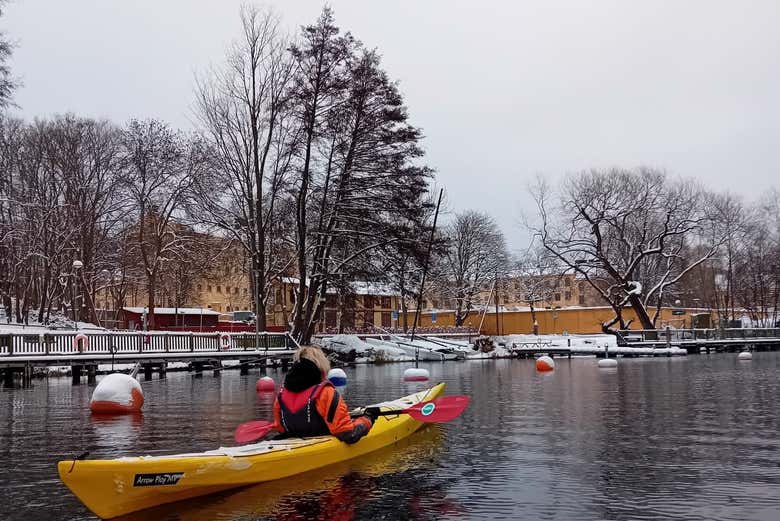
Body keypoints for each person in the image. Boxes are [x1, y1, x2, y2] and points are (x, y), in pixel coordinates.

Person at [273, 346, 375, 443]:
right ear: (322, 365)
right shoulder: (326, 393)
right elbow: (346, 433)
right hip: (320, 445)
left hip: (293, 442)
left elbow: (280, 428)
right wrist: (367, 420)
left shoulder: (282, 394)